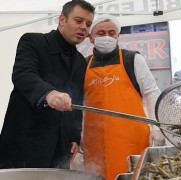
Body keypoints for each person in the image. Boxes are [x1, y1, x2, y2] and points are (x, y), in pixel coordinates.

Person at [0, 0, 95, 169]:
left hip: (60, 147)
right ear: (62, 20)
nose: (84, 28)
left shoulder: (80, 61)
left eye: (88, 24)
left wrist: (74, 136)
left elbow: (77, 101)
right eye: (78, 21)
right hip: (25, 142)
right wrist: (49, 94)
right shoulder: (34, 41)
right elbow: (23, 74)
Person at [82, 15, 166, 179]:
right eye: (101, 33)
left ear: (117, 36)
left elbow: (151, 93)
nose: (107, 36)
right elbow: (79, 104)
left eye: (111, 32)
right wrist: (77, 137)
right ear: (91, 37)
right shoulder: (83, 64)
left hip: (130, 139)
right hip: (95, 143)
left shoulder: (132, 59)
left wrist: (156, 127)